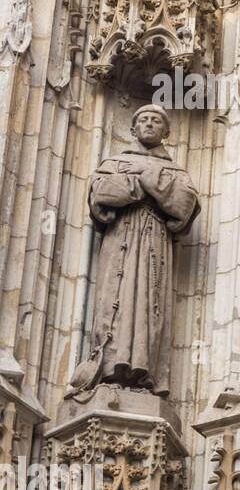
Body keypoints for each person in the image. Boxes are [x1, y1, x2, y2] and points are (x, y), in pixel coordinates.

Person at [68, 104, 200, 398]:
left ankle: (144, 374)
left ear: (167, 132)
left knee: (148, 307)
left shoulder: (176, 171)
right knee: (113, 303)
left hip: (154, 247)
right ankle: (108, 369)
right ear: (132, 129)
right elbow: (102, 194)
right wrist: (149, 185)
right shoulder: (114, 161)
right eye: (144, 120)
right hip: (119, 243)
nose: (150, 124)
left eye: (156, 121)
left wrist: (140, 183)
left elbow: (183, 205)